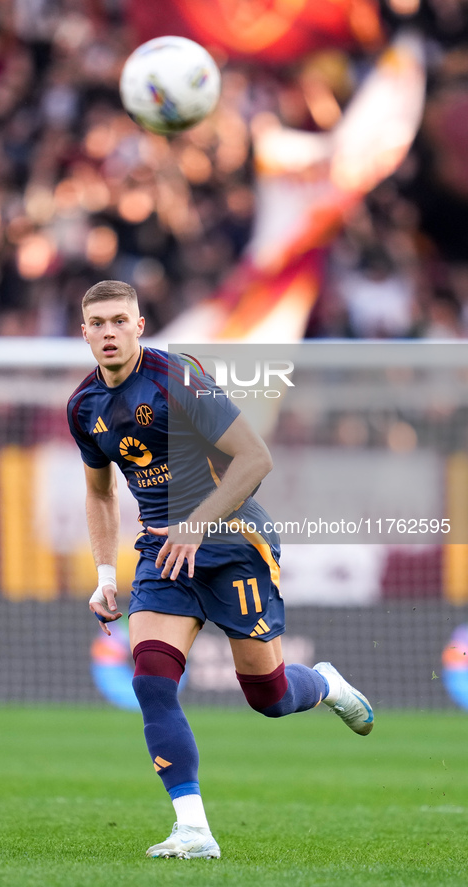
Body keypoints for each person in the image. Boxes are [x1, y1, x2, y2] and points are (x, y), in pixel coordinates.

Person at [67, 279, 374, 860]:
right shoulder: (85, 407)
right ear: (84, 332)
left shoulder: (174, 379)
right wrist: (107, 576)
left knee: (269, 694)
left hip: (232, 541)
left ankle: (328, 683)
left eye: (119, 320)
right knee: (152, 681)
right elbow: (101, 494)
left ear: (139, 325)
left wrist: (199, 522)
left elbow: (255, 458)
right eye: (97, 323)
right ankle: (193, 829)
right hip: (163, 550)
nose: (109, 332)